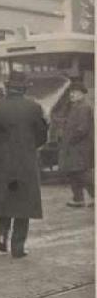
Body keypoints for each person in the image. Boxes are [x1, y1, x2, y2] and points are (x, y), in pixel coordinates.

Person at [0, 71, 48, 258]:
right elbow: (42, 136)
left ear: (7, 88)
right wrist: (29, 147)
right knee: (23, 205)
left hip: (2, 162)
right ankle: (18, 247)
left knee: (4, 201)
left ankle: (2, 238)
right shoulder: (34, 107)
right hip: (25, 162)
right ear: (24, 88)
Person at [59, 79, 94, 207]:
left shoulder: (84, 107)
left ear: (82, 94)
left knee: (82, 173)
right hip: (73, 147)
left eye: (76, 92)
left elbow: (82, 129)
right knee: (73, 172)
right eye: (71, 92)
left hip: (80, 147)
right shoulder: (74, 107)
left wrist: (70, 140)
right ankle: (78, 199)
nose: (72, 95)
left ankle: (93, 195)